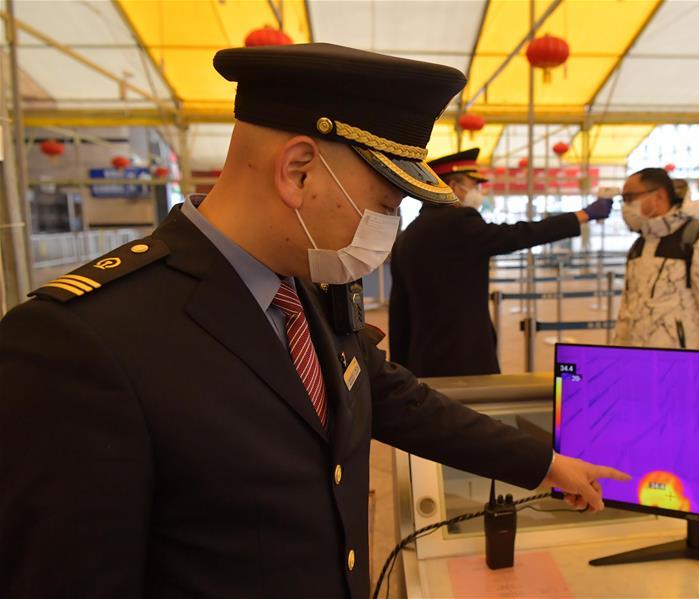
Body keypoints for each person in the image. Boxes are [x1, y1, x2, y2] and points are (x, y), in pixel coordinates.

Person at [0, 44, 628, 598]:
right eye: (386, 204)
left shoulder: (304, 284)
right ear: (298, 172)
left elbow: (388, 396)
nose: (391, 227)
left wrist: (541, 461)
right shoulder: (84, 341)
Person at [389, 148, 613, 377]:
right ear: (454, 187)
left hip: (421, 362)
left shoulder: (408, 236)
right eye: (474, 185)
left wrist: (403, 371)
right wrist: (582, 215)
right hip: (462, 361)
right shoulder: (457, 223)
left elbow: (399, 313)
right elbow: (520, 234)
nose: (478, 192)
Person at [613, 167, 699, 350]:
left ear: (658, 196)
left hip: (683, 363)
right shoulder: (640, 244)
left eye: (630, 197)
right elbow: (627, 309)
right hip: (642, 361)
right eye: (623, 199)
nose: (625, 206)